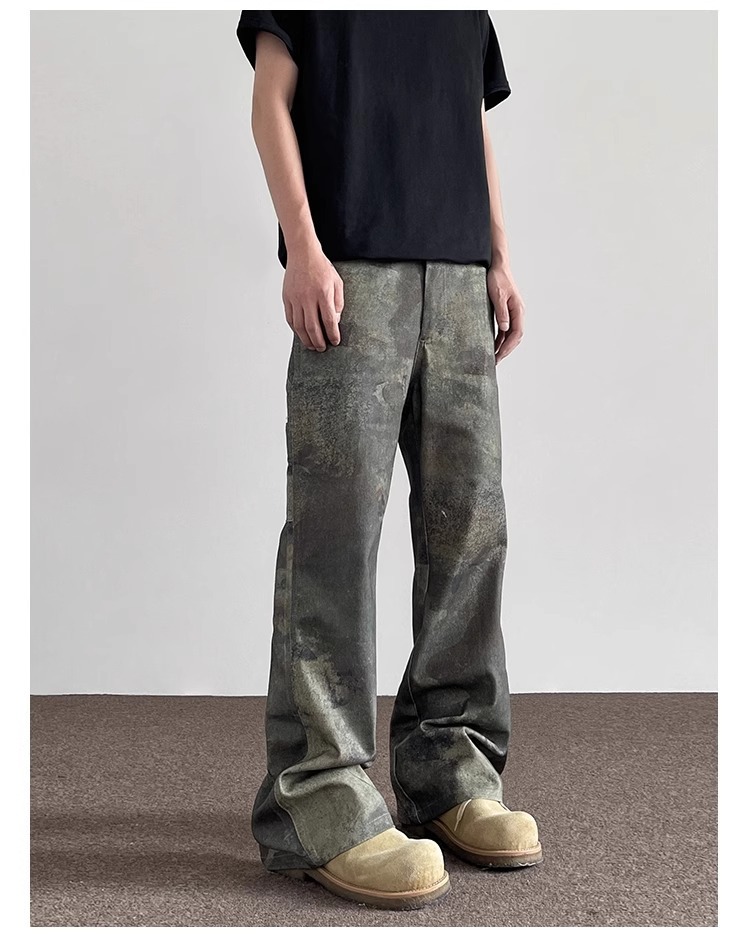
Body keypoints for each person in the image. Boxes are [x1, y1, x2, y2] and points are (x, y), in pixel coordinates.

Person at [235, 10, 541, 911]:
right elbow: (270, 101)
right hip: (350, 268)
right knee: (335, 537)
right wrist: (302, 245)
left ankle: (452, 768)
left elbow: (469, 121)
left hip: (458, 274)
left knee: (470, 530)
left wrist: (499, 255)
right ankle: (318, 792)